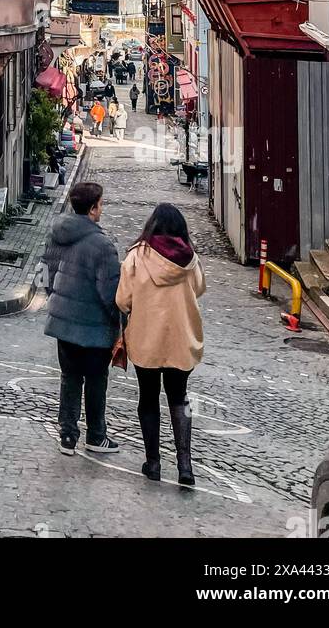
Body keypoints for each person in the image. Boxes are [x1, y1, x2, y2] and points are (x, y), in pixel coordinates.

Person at [115, 203, 206, 486]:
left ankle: (153, 462)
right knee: (180, 398)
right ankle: (185, 464)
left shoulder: (136, 257)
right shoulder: (190, 260)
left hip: (146, 339)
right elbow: (200, 288)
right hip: (181, 339)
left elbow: (122, 300)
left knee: (148, 398)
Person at [42, 181, 121, 456]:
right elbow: (111, 294)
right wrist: (119, 323)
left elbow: (46, 274)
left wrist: (58, 300)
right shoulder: (103, 246)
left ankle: (67, 436)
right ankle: (96, 435)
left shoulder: (56, 235)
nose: (102, 209)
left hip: (63, 324)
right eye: (100, 204)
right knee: (97, 380)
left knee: (70, 378)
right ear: (92, 209)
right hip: (94, 328)